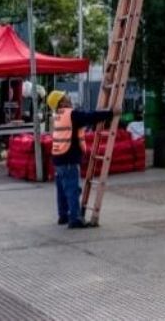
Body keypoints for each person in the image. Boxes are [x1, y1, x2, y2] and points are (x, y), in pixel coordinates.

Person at [47, 90, 113, 229]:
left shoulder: (58, 115)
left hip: (59, 158)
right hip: (69, 158)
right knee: (72, 189)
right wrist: (109, 114)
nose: (69, 98)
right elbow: (90, 117)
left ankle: (63, 215)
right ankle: (75, 219)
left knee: (62, 190)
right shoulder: (71, 114)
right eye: (65, 97)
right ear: (61, 102)